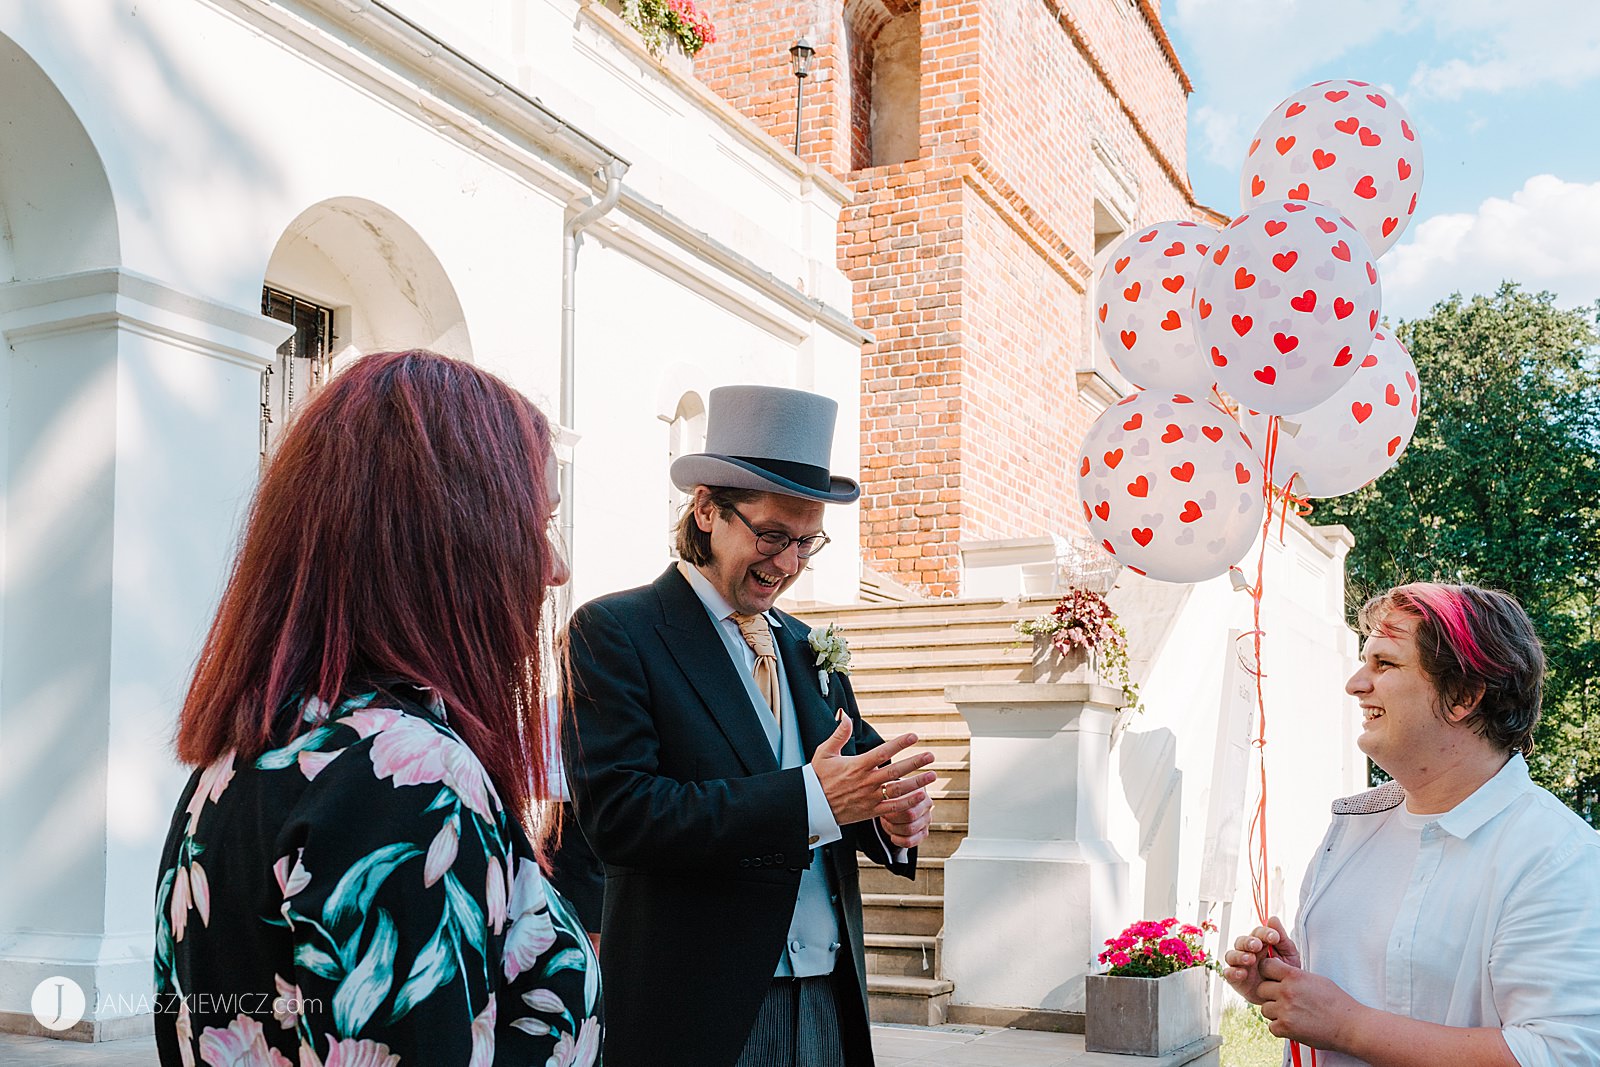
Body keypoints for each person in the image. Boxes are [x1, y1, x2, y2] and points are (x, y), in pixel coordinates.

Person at [153, 350, 600, 1067]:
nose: (555, 567)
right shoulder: (406, 779)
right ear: (448, 536)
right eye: (535, 523)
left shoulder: (246, 755)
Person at [563, 384, 937, 1067]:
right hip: (699, 1006)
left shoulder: (805, 644)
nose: (787, 564)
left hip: (828, 997)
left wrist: (890, 819)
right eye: (771, 535)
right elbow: (620, 813)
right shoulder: (616, 632)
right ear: (706, 508)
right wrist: (810, 801)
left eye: (805, 542)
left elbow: (852, 782)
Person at [1223, 582, 1600, 1066]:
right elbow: (1373, 992)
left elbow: (1562, 1053)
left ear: (1462, 694)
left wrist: (1348, 1025)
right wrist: (1293, 987)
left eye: (1385, 664)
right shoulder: (1353, 832)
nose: (1356, 683)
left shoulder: (1556, 857)